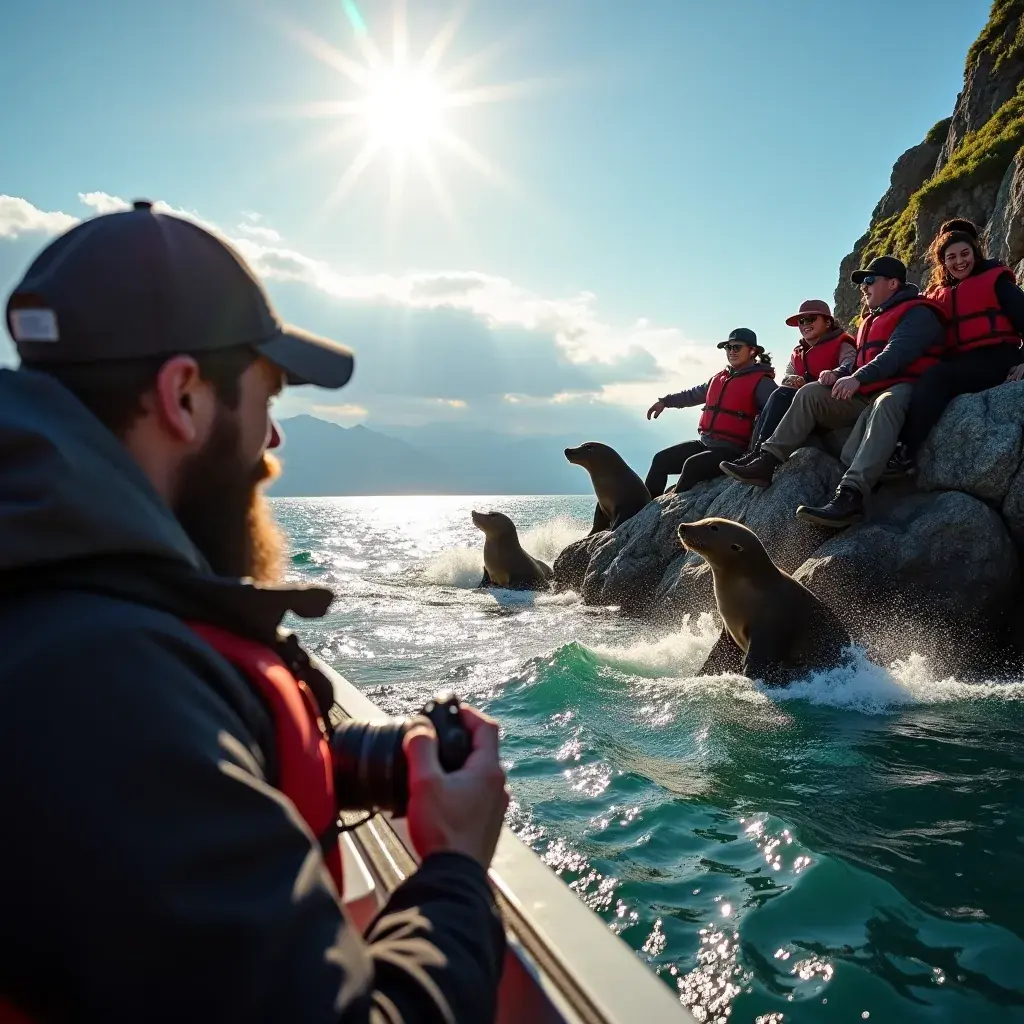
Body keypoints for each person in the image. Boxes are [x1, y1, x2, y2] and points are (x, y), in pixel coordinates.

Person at [0, 201, 509, 1022]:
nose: (273, 440)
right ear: (184, 396)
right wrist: (453, 867)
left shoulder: (63, 604)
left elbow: (162, 783)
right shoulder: (98, 686)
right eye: (265, 397)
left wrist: (361, 761)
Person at [721, 256, 946, 527]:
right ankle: (767, 460)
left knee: (885, 405)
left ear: (893, 283)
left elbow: (895, 354)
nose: (864, 287)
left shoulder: (918, 313)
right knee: (810, 393)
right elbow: (857, 362)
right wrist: (842, 376)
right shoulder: (870, 320)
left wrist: (856, 377)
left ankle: (850, 496)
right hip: (866, 394)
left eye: (869, 280)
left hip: (902, 387)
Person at [884, 218, 1024, 477]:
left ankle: (906, 452)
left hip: (998, 358)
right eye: (951, 257)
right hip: (962, 361)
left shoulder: (996, 281)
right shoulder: (937, 294)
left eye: (965, 254)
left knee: (936, 377)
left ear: (975, 252)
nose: (959, 262)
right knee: (920, 381)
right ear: (943, 261)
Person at [723, 299, 856, 469]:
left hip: (833, 405)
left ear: (828, 322)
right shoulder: (798, 352)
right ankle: (756, 452)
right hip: (805, 410)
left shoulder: (842, 343)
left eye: (811, 319)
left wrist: (834, 374)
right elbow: (787, 376)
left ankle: (761, 456)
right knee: (780, 394)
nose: (805, 324)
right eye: (801, 321)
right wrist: (790, 380)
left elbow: (849, 365)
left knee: (782, 396)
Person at [644, 327, 776, 498]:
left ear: (752, 351)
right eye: (728, 347)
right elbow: (692, 395)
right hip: (706, 444)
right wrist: (665, 402)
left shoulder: (762, 382)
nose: (731, 351)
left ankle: (672, 511)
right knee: (661, 459)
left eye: (737, 347)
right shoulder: (719, 378)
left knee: (693, 465)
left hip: (734, 451)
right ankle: (644, 510)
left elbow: (776, 414)